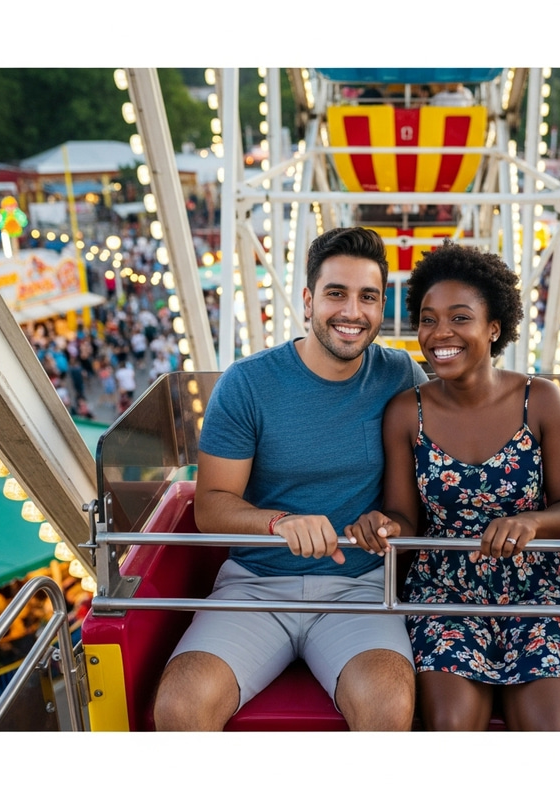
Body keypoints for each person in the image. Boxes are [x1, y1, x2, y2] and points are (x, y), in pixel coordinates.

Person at [152, 227, 428, 732]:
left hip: (359, 586)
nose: (352, 312)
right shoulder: (248, 382)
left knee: (388, 706)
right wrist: (280, 523)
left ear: (382, 304)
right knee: (180, 706)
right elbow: (211, 504)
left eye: (368, 297)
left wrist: (385, 525)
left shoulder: (401, 375)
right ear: (307, 300)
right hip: (256, 586)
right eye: (335, 294)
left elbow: (431, 481)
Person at [348, 240, 560, 730]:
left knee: (548, 731)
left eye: (459, 318)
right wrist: (382, 527)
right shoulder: (408, 411)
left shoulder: (543, 400)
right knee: (451, 726)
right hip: (442, 587)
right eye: (428, 319)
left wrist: (528, 522)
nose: (440, 333)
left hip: (537, 587)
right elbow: (405, 521)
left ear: (494, 328)